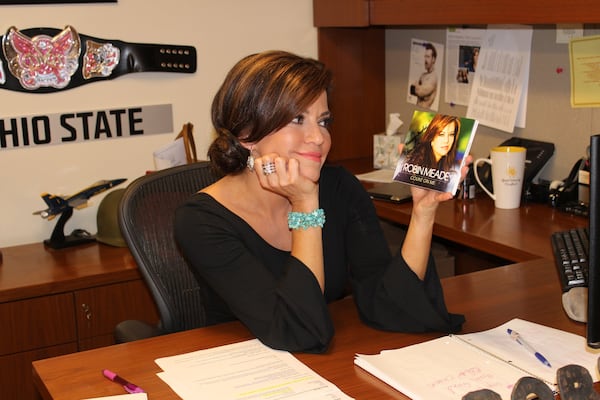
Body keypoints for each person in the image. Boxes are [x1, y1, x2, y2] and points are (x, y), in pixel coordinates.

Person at [174, 50, 467, 354]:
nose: (318, 137)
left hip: (324, 366)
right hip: (243, 369)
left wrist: (423, 211)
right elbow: (296, 331)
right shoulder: (200, 220)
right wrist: (305, 205)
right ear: (247, 134)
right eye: (298, 119)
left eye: (324, 121)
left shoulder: (339, 187)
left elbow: (389, 306)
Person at [397, 114, 462, 192]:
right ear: (431, 138)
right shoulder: (416, 162)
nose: (447, 140)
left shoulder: (448, 166)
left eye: (451, 134)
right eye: (441, 134)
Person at [410, 42, 438, 108]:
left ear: (433, 59)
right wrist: (415, 88)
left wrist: (416, 87)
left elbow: (419, 92)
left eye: (428, 57)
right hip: (417, 113)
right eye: (425, 56)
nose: (425, 60)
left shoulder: (433, 78)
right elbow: (412, 90)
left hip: (426, 115)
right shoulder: (422, 75)